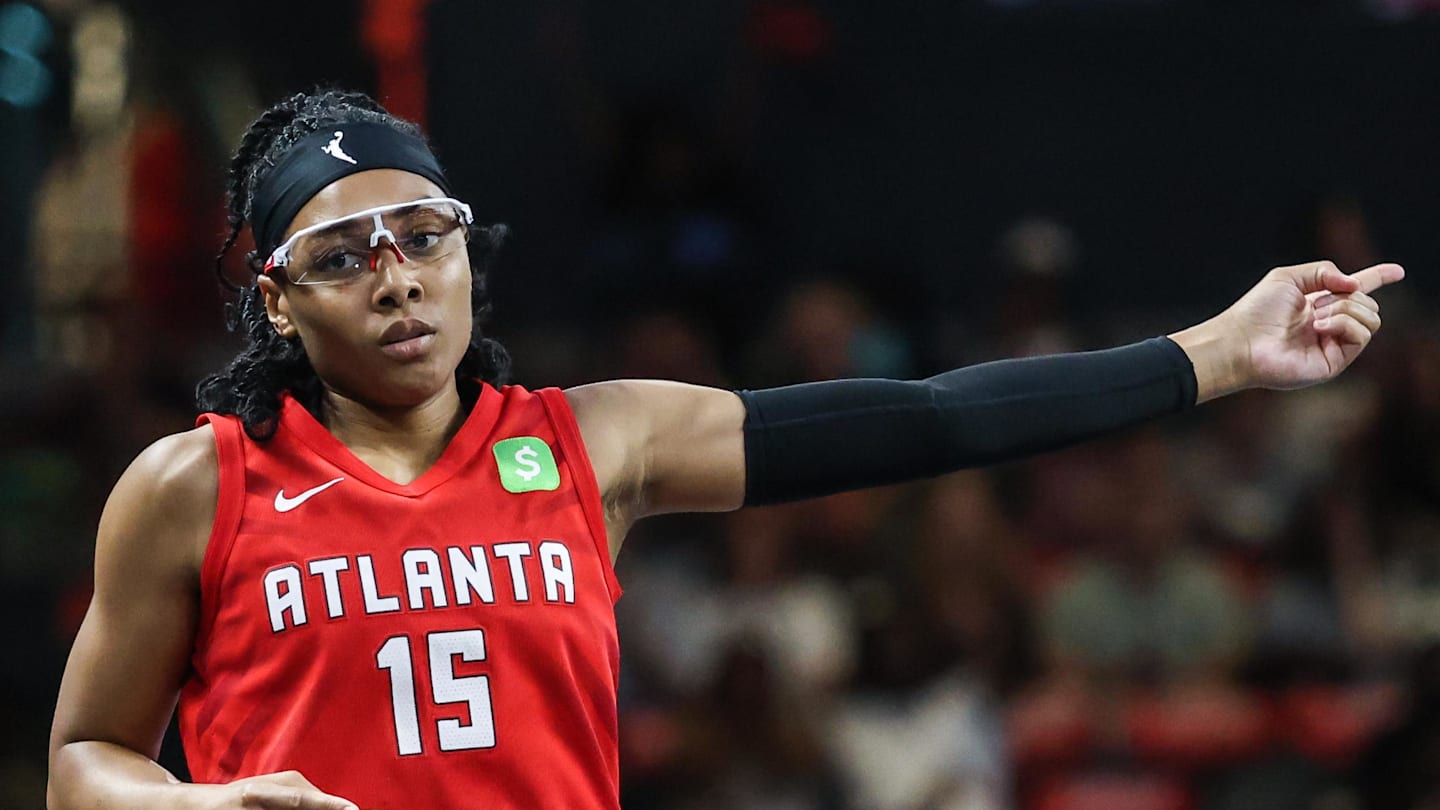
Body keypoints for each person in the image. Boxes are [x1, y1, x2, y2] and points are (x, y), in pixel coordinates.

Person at [46, 89, 1403, 810]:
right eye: (344, 256)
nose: (396, 278)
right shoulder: (198, 485)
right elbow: (82, 758)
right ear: (280, 298)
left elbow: (924, 418)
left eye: (425, 236)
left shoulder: (594, 441)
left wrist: (1219, 352)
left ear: (469, 251)